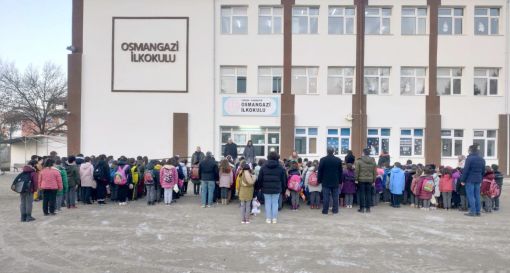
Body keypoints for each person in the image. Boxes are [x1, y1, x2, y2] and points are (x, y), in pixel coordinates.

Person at [255, 152, 286, 224]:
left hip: (266, 188)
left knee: (268, 203)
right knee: (275, 203)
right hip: (277, 188)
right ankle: (274, 219)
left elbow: (260, 178)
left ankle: (268, 219)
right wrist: (284, 189)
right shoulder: (280, 167)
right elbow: (283, 179)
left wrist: (258, 187)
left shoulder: (263, 167)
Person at [460, 145, 486, 217]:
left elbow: (466, 170)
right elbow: (483, 171)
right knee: (477, 195)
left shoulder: (469, 159)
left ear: (470, 150)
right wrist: (481, 178)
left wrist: (462, 180)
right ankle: (478, 212)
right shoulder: (482, 159)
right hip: (478, 179)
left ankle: (472, 211)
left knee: (471, 196)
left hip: (470, 180)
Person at [318, 147, 343, 215]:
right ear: (333, 151)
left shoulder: (323, 160)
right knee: (335, 197)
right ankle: (335, 210)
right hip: (335, 181)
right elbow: (341, 172)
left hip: (325, 181)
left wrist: (319, 180)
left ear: (327, 151)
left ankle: (325, 211)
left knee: (326, 196)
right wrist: (340, 181)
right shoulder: (338, 160)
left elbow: (320, 171)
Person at [355, 148, 377, 213]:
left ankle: (362, 209)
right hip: (370, 180)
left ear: (363, 153)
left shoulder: (359, 161)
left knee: (362, 194)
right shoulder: (373, 161)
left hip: (361, 180)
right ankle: (368, 209)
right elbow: (374, 171)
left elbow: (357, 171)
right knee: (368, 194)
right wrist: (374, 180)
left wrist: (356, 179)